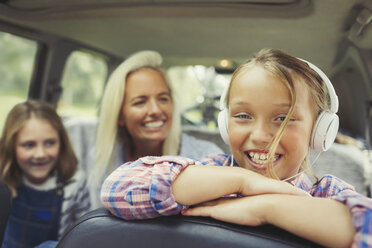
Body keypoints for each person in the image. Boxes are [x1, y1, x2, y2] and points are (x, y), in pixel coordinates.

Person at [101, 48, 372, 248]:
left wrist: (266, 208)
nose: (260, 135)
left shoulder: (327, 194)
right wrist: (243, 181)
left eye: (283, 118)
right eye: (243, 116)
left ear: (318, 131)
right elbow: (116, 189)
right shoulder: (211, 173)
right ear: (224, 123)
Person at [89, 50, 223, 208]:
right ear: (119, 116)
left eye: (163, 99)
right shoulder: (104, 160)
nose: (155, 110)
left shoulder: (206, 157)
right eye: (140, 102)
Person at [0, 100, 90, 248]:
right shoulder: (4, 178)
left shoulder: (75, 181)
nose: (40, 154)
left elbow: (84, 233)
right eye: (29, 145)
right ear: (11, 146)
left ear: (61, 142)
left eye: (50, 143)